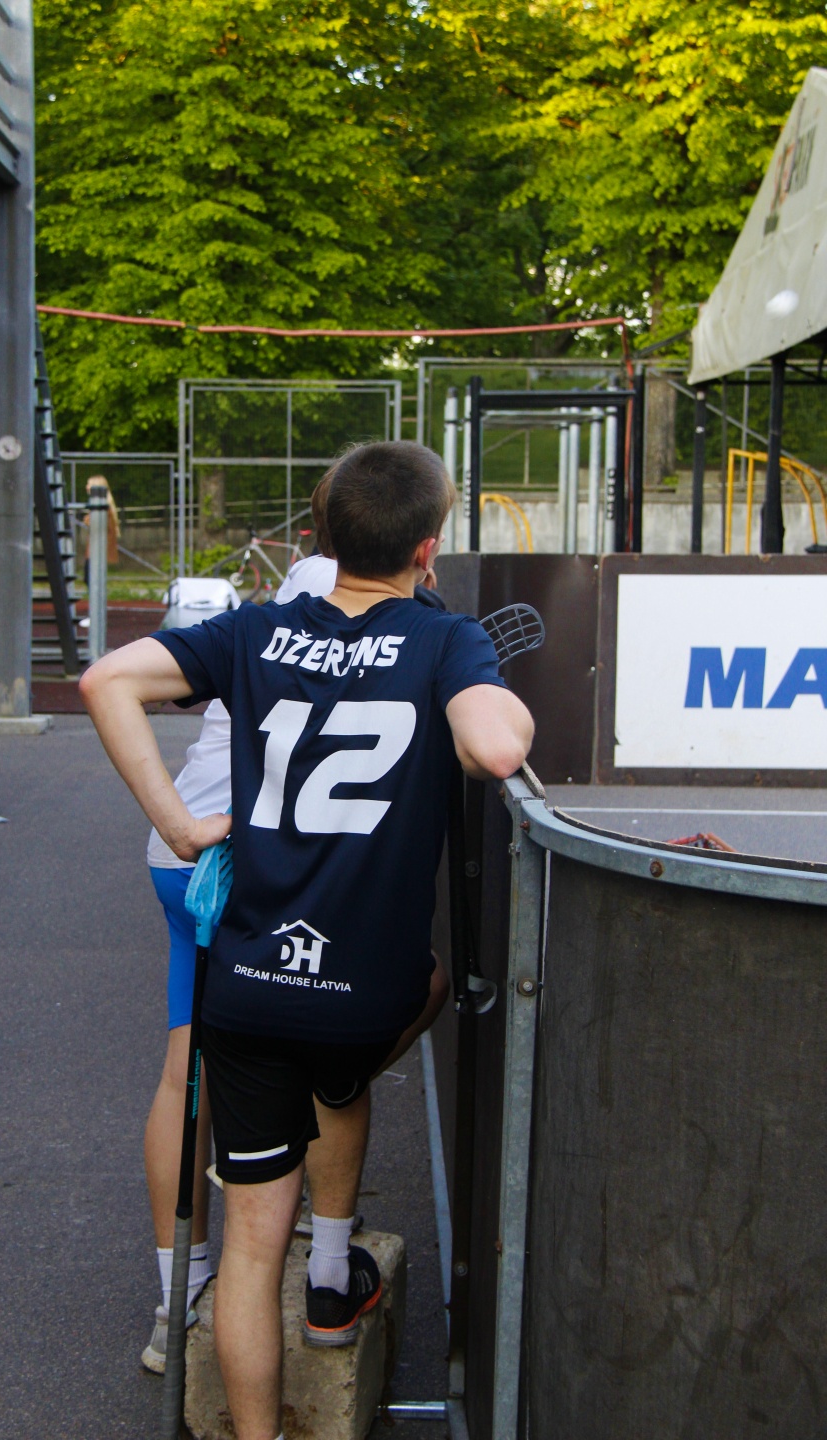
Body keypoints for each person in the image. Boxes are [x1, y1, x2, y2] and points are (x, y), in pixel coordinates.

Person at [81, 441, 533, 1440]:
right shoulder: (445, 638)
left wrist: (180, 824)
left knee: (252, 1244)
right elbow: (496, 746)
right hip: (367, 991)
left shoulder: (256, 628)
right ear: (429, 546)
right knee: (406, 1009)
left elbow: (107, 679)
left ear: (320, 537)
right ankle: (333, 1205)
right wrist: (496, 692)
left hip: (248, 981)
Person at [139, 472, 449, 1375]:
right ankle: (319, 1271)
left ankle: (179, 1296)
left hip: (191, 848)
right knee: (324, 1053)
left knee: (189, 1069)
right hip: (252, 853)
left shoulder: (287, 598)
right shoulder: (378, 602)